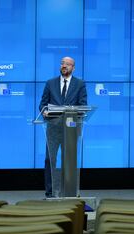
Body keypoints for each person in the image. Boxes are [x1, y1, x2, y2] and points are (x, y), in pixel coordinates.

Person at [39, 57, 87, 197]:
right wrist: (45, 111)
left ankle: (68, 192)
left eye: (67, 64)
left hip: (71, 129)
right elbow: (42, 104)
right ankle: (50, 193)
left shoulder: (80, 84)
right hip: (53, 128)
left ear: (73, 67)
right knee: (50, 160)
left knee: (69, 161)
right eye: (62, 63)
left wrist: (73, 110)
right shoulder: (50, 83)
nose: (64, 66)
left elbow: (83, 105)